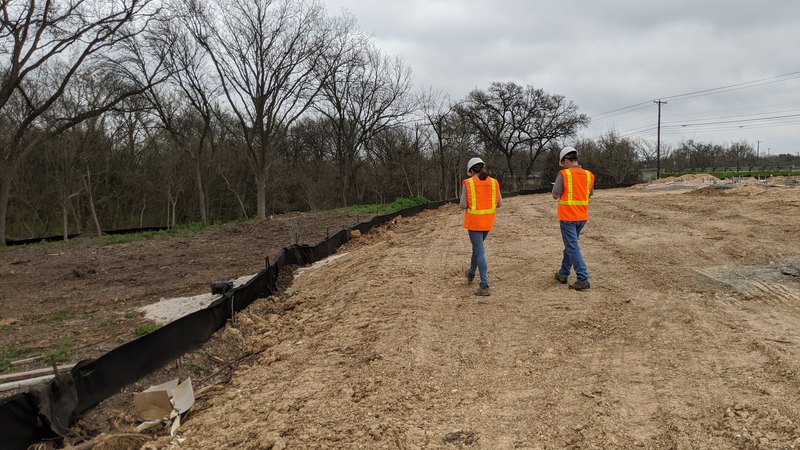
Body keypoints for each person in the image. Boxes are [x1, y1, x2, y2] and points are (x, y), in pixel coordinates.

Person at [552, 146, 594, 290]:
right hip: (582, 216)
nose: (563, 166)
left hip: (568, 217)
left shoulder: (564, 174)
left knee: (572, 247)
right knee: (570, 246)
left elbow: (555, 194)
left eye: (562, 163)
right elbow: (589, 194)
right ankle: (563, 273)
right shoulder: (589, 175)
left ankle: (582, 278)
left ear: (565, 160)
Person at [460, 157, 502, 296]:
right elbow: (499, 203)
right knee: (477, 249)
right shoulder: (494, 182)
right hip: (487, 221)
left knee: (479, 251)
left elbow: (463, 205)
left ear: (471, 170)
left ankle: (484, 285)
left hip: (474, 222)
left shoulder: (469, 183)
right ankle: (471, 273)